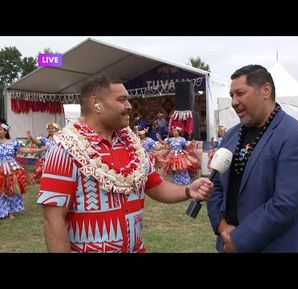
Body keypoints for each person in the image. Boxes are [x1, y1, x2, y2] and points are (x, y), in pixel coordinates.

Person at [36, 75, 213, 253]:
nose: (129, 106)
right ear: (95, 103)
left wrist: (189, 190)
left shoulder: (132, 145)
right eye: (122, 100)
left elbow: (156, 186)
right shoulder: (66, 148)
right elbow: (53, 220)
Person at [207, 64, 298, 253]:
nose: (234, 101)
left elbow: (287, 203)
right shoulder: (231, 136)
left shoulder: (296, 137)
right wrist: (222, 227)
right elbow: (215, 183)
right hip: (227, 243)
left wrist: (239, 240)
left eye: (240, 93)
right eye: (232, 95)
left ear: (265, 90)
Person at [0, 120, 45, 219]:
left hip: (11, 168)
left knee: (12, 188)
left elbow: (25, 150)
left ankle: (10, 211)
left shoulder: (12, 143)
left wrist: (40, 150)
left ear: (5, 131)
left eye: (0, 129)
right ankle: (2, 210)